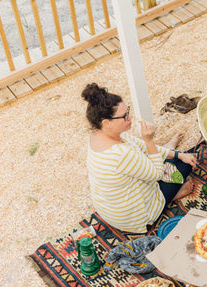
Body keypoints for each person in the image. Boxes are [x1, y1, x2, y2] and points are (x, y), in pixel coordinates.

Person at [82, 83, 197, 233]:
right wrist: (149, 140)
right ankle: (171, 197)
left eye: (127, 111)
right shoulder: (120, 154)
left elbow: (139, 146)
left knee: (176, 158)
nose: (130, 117)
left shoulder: (98, 136)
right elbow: (157, 173)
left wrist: (178, 154)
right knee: (184, 166)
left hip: (111, 211)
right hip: (137, 218)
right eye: (124, 116)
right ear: (106, 122)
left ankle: (170, 149)